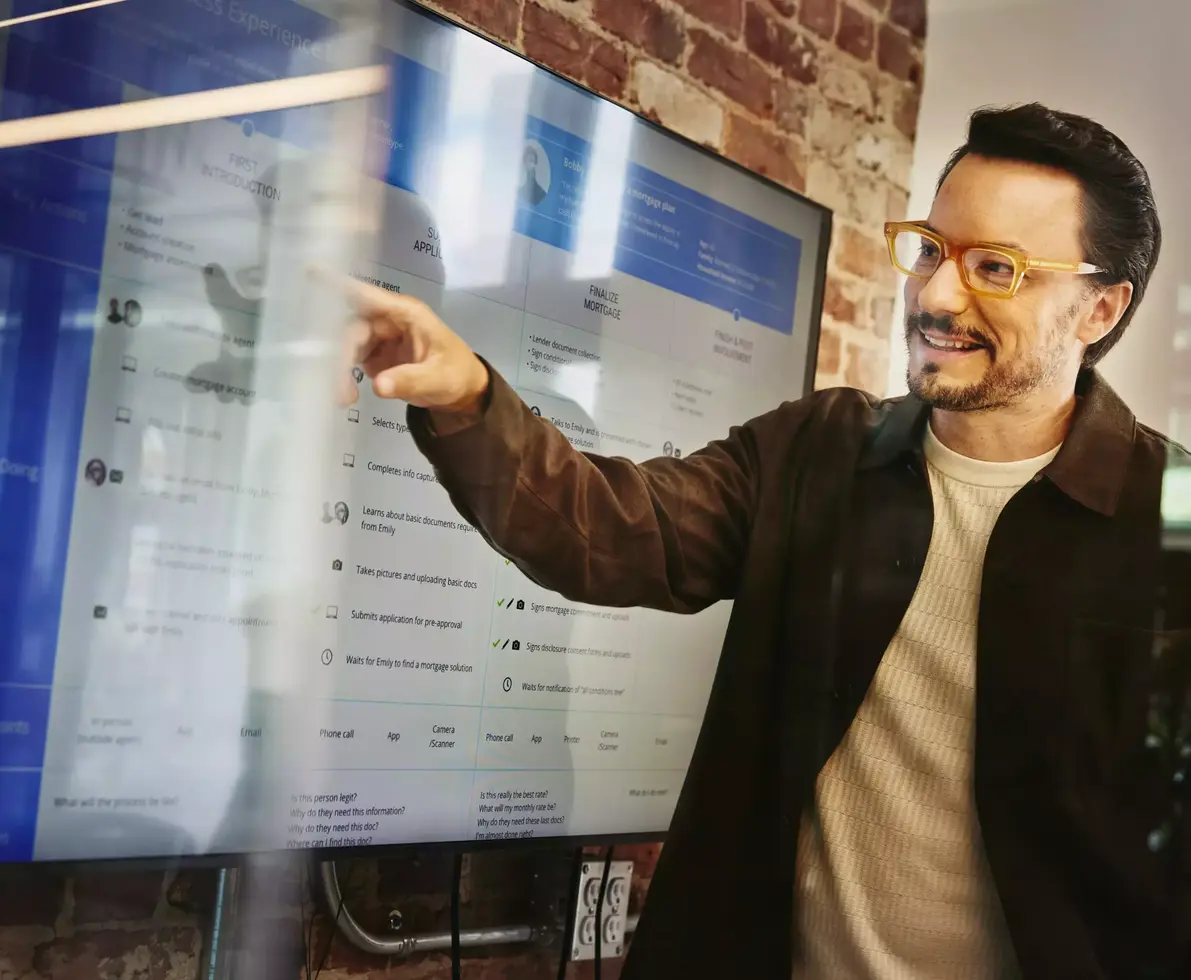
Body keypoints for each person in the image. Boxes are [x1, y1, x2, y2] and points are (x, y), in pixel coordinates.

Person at [338, 104, 1190, 979]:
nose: (936, 294)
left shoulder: (1173, 530)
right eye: (931, 249)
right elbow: (606, 527)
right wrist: (463, 394)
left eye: (996, 268)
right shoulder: (819, 449)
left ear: (1098, 309)